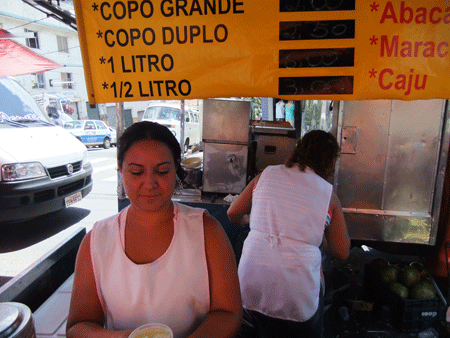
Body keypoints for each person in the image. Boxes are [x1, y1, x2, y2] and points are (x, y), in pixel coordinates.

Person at [66, 121, 242, 338]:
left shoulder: (208, 232)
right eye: (136, 172)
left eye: (162, 171)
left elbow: (228, 312)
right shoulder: (97, 241)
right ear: (120, 169)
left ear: (176, 168)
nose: (149, 183)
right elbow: (78, 326)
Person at [227, 129, 350, 338]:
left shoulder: (265, 175)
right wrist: (319, 241)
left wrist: (248, 222)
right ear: (329, 163)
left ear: (298, 150)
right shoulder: (328, 195)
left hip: (251, 284)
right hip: (297, 298)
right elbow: (341, 251)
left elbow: (233, 212)